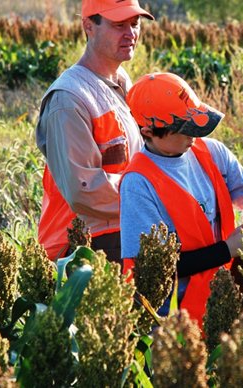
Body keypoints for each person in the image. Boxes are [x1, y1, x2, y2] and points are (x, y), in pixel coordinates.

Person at [120, 72, 243, 327]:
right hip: (173, 320)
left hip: (221, 299)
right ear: (149, 130)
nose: (193, 136)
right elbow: (152, 270)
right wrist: (226, 250)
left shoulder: (212, 152)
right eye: (184, 129)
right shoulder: (138, 183)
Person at [35, 0, 154, 262]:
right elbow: (84, 189)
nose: (130, 34)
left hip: (123, 228)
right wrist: (153, 199)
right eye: (118, 25)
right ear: (88, 25)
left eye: (135, 24)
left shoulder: (122, 83)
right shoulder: (69, 99)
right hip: (82, 246)